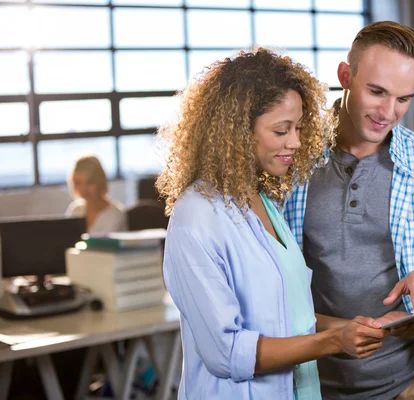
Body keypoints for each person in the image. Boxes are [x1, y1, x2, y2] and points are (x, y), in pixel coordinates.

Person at [157, 48, 396, 399]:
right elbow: (226, 353)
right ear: (236, 132)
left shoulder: (264, 202)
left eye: (298, 128)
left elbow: (290, 314)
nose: (296, 142)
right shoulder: (197, 216)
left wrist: (355, 328)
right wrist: (333, 341)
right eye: (281, 130)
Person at [284, 21, 414, 400]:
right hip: (305, 385)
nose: (388, 112)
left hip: (406, 386)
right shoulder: (289, 158)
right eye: (376, 92)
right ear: (346, 76)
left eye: (403, 99)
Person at [65, 155, 127, 234]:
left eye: (90, 182)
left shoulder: (116, 214)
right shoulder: (75, 210)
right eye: (78, 183)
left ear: (100, 182)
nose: (84, 189)